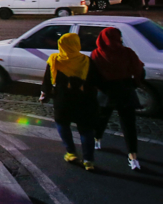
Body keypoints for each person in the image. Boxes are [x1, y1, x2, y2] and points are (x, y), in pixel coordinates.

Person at [39, 33, 98, 171]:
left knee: (63, 124)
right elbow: (95, 81)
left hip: (63, 99)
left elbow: (47, 80)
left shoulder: (54, 59)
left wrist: (44, 93)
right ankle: (88, 161)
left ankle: (71, 152)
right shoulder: (86, 60)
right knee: (86, 130)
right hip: (84, 100)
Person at [90, 28, 145, 170]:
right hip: (125, 89)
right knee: (129, 124)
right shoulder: (127, 52)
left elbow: (93, 75)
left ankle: (97, 139)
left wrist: (101, 88)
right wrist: (134, 83)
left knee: (102, 117)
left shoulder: (97, 54)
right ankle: (133, 156)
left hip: (106, 91)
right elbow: (139, 70)